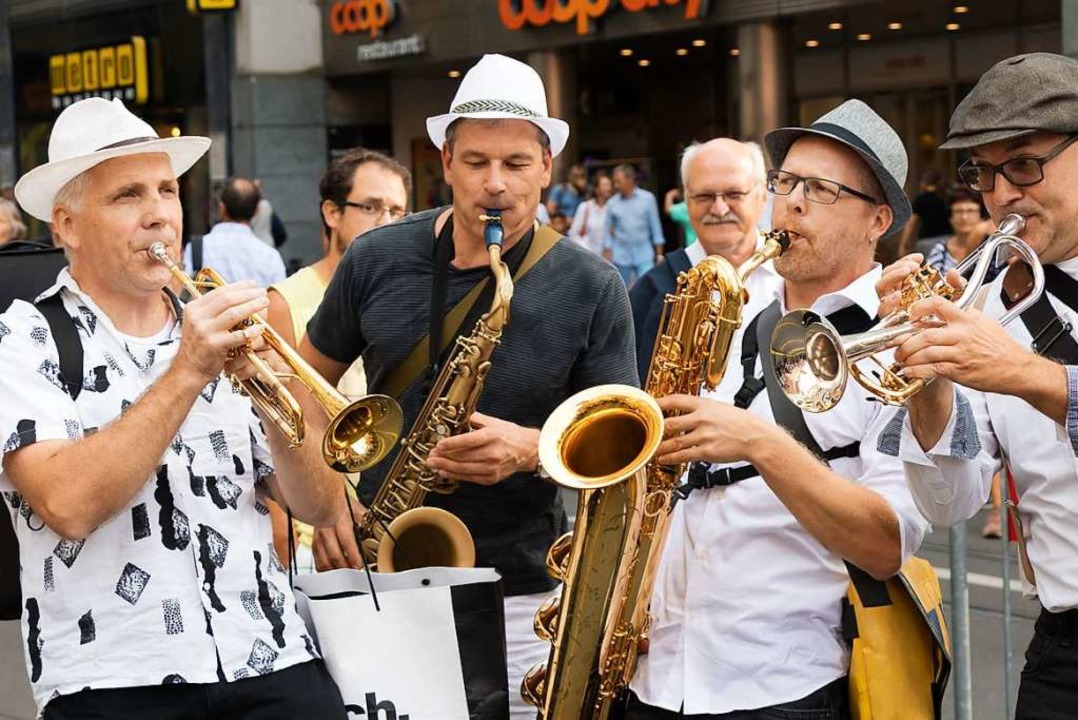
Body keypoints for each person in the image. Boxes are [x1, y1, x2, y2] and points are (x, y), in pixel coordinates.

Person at [292, 54, 637, 719]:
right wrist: (332, 499)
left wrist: (533, 448)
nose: (495, 185)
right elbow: (302, 389)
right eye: (476, 162)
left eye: (515, 164)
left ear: (547, 168)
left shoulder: (592, 286)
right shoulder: (376, 257)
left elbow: (620, 456)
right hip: (377, 575)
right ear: (444, 161)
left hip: (521, 590)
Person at [1, 97, 347, 719]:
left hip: (270, 656)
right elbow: (68, 506)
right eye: (128, 196)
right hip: (114, 681)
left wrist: (277, 397)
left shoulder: (224, 324)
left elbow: (321, 505)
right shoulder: (23, 339)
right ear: (67, 226)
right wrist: (187, 371)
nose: (159, 215)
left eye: (167, 190)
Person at [626, 99, 928, 719]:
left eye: (820, 189)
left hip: (778, 685)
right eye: (787, 181)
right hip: (653, 674)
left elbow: (885, 544)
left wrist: (760, 443)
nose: (790, 203)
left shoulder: (905, 342)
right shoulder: (731, 309)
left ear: (878, 219)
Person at [877, 52, 1078, 720]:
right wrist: (927, 385)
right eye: (983, 172)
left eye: (1023, 164)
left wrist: (1024, 374)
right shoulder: (988, 305)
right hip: (1065, 650)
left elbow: (1027, 377)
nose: (1001, 196)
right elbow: (948, 504)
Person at [264, 147, 411, 570]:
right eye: (370, 207)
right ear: (332, 212)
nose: (385, 222)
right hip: (325, 539)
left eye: (397, 211)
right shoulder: (285, 303)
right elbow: (278, 434)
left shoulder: (409, 300)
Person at [629, 138, 773, 382]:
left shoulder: (797, 278)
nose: (718, 209)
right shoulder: (651, 291)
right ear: (687, 199)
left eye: (734, 194)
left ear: (762, 197)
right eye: (704, 196)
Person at [182, 177, 286, 287]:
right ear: (256, 211)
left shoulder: (196, 248)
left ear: (221, 207)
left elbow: (186, 291)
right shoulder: (270, 256)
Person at [604, 163, 665, 286]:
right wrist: (608, 251)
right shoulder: (612, 203)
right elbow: (607, 231)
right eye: (614, 182)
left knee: (647, 288)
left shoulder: (648, 199)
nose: (615, 186)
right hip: (621, 254)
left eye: (618, 182)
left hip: (644, 254)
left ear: (630, 180)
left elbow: (656, 228)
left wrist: (659, 254)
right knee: (621, 291)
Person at [897, 168, 952, 259]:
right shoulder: (945, 197)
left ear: (924, 182)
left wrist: (904, 244)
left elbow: (911, 223)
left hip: (927, 241)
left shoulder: (921, 199)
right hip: (947, 240)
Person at [568, 170, 612, 256]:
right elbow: (573, 234)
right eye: (605, 185)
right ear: (596, 188)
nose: (609, 188)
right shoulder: (585, 207)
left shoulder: (613, 208)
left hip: (609, 258)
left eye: (610, 185)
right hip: (588, 257)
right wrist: (585, 250)